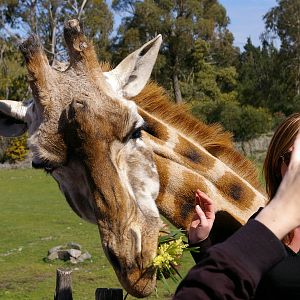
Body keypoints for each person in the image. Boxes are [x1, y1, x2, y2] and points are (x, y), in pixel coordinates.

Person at [178, 113, 300, 299]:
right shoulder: (262, 226)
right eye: (295, 157)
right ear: (278, 164)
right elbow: (230, 287)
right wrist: (201, 242)